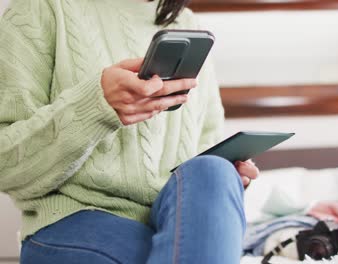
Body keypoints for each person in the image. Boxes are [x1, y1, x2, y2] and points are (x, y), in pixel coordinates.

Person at [0, 0, 260, 263]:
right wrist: (95, 106)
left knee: (215, 171)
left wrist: (229, 175)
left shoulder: (185, 23)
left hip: (173, 222)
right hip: (75, 222)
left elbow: (205, 149)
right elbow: (4, 165)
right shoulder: (40, 8)